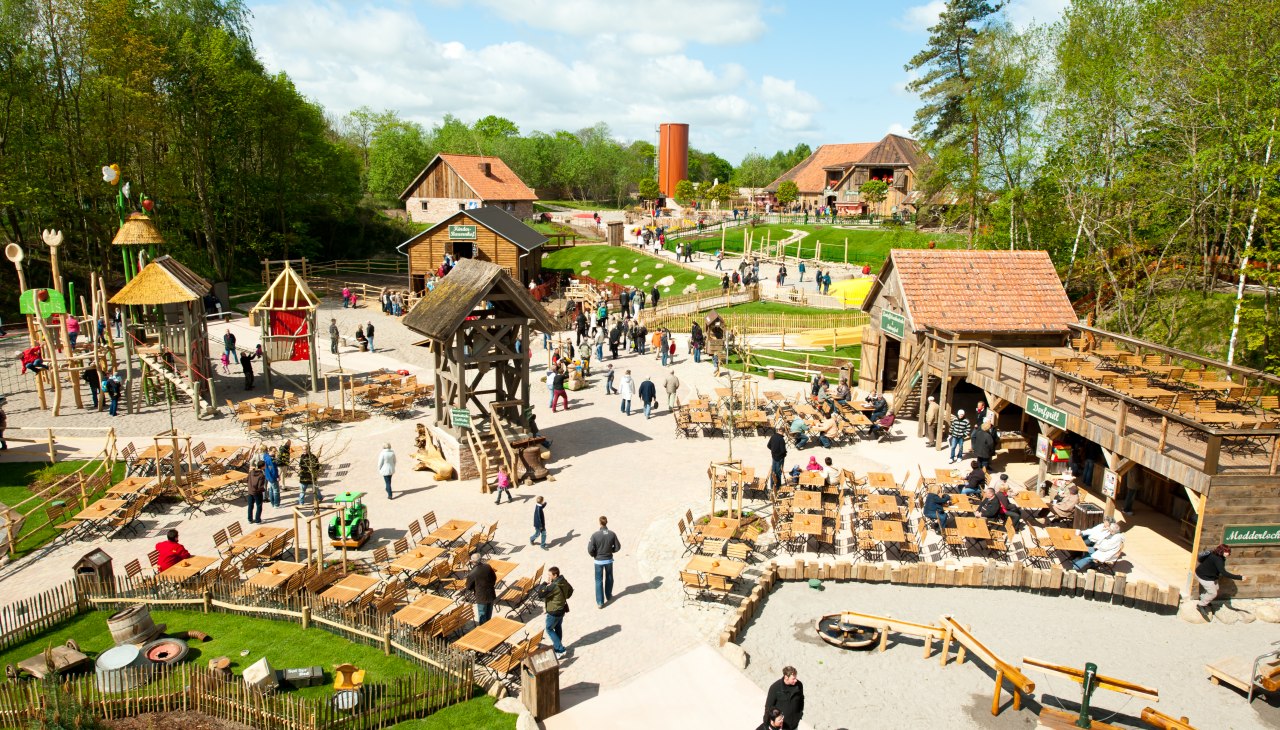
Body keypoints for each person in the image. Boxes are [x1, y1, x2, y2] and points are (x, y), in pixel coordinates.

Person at [1195, 544, 1246, 617]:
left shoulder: (1216, 554)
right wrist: (1239, 577)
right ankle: (1200, 605)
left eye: (1229, 552)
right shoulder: (1218, 559)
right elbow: (1224, 573)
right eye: (1226, 551)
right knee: (1213, 593)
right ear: (1221, 551)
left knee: (1216, 588)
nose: (1228, 554)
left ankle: (1204, 598)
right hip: (1204, 576)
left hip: (1210, 576)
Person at [539, 567, 573, 659]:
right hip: (561, 610)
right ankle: (558, 648)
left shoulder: (553, 586)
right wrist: (563, 597)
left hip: (553, 611)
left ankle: (560, 649)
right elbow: (570, 590)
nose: (549, 577)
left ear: (555, 575)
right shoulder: (563, 580)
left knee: (549, 629)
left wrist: (545, 583)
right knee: (558, 627)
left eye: (550, 575)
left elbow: (540, 594)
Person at [587, 516, 621, 609]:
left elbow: (590, 549)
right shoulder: (612, 534)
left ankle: (600, 602)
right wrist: (611, 551)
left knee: (598, 581)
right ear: (607, 522)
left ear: (600, 523)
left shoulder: (595, 535)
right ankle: (609, 595)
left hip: (598, 561)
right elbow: (618, 547)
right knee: (609, 577)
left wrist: (594, 555)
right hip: (609, 559)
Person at [466, 559, 498, 625]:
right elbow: (494, 578)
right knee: (489, 613)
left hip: (481, 597)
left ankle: (484, 628)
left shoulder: (472, 573)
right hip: (490, 593)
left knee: (482, 614)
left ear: (473, 562)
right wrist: (490, 585)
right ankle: (488, 625)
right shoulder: (488, 566)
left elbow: (468, 587)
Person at [246, 460, 266, 524]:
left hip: (250, 491)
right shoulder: (261, 475)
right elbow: (260, 486)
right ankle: (258, 520)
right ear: (262, 467)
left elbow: (247, 479)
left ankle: (250, 519)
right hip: (257, 493)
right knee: (259, 506)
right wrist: (263, 490)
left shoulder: (251, 472)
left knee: (250, 506)